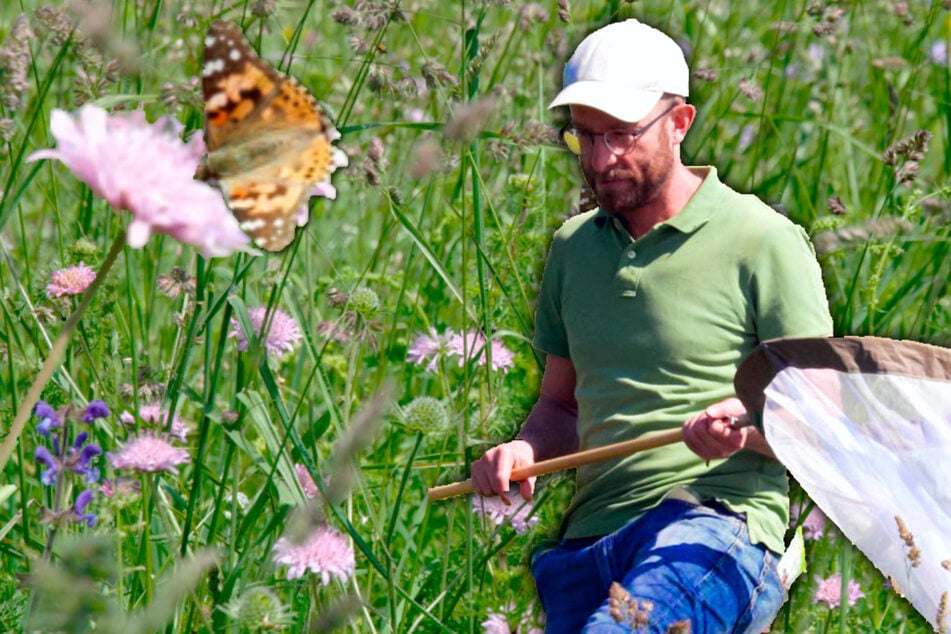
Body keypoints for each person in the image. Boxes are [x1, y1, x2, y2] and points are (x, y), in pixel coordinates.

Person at [470, 18, 833, 634]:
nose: (601, 159)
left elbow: (824, 422)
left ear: (680, 122)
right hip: (590, 543)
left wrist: (743, 428)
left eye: (621, 134)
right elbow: (561, 408)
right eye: (584, 137)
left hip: (716, 528)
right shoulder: (572, 250)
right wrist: (522, 451)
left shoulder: (763, 240)